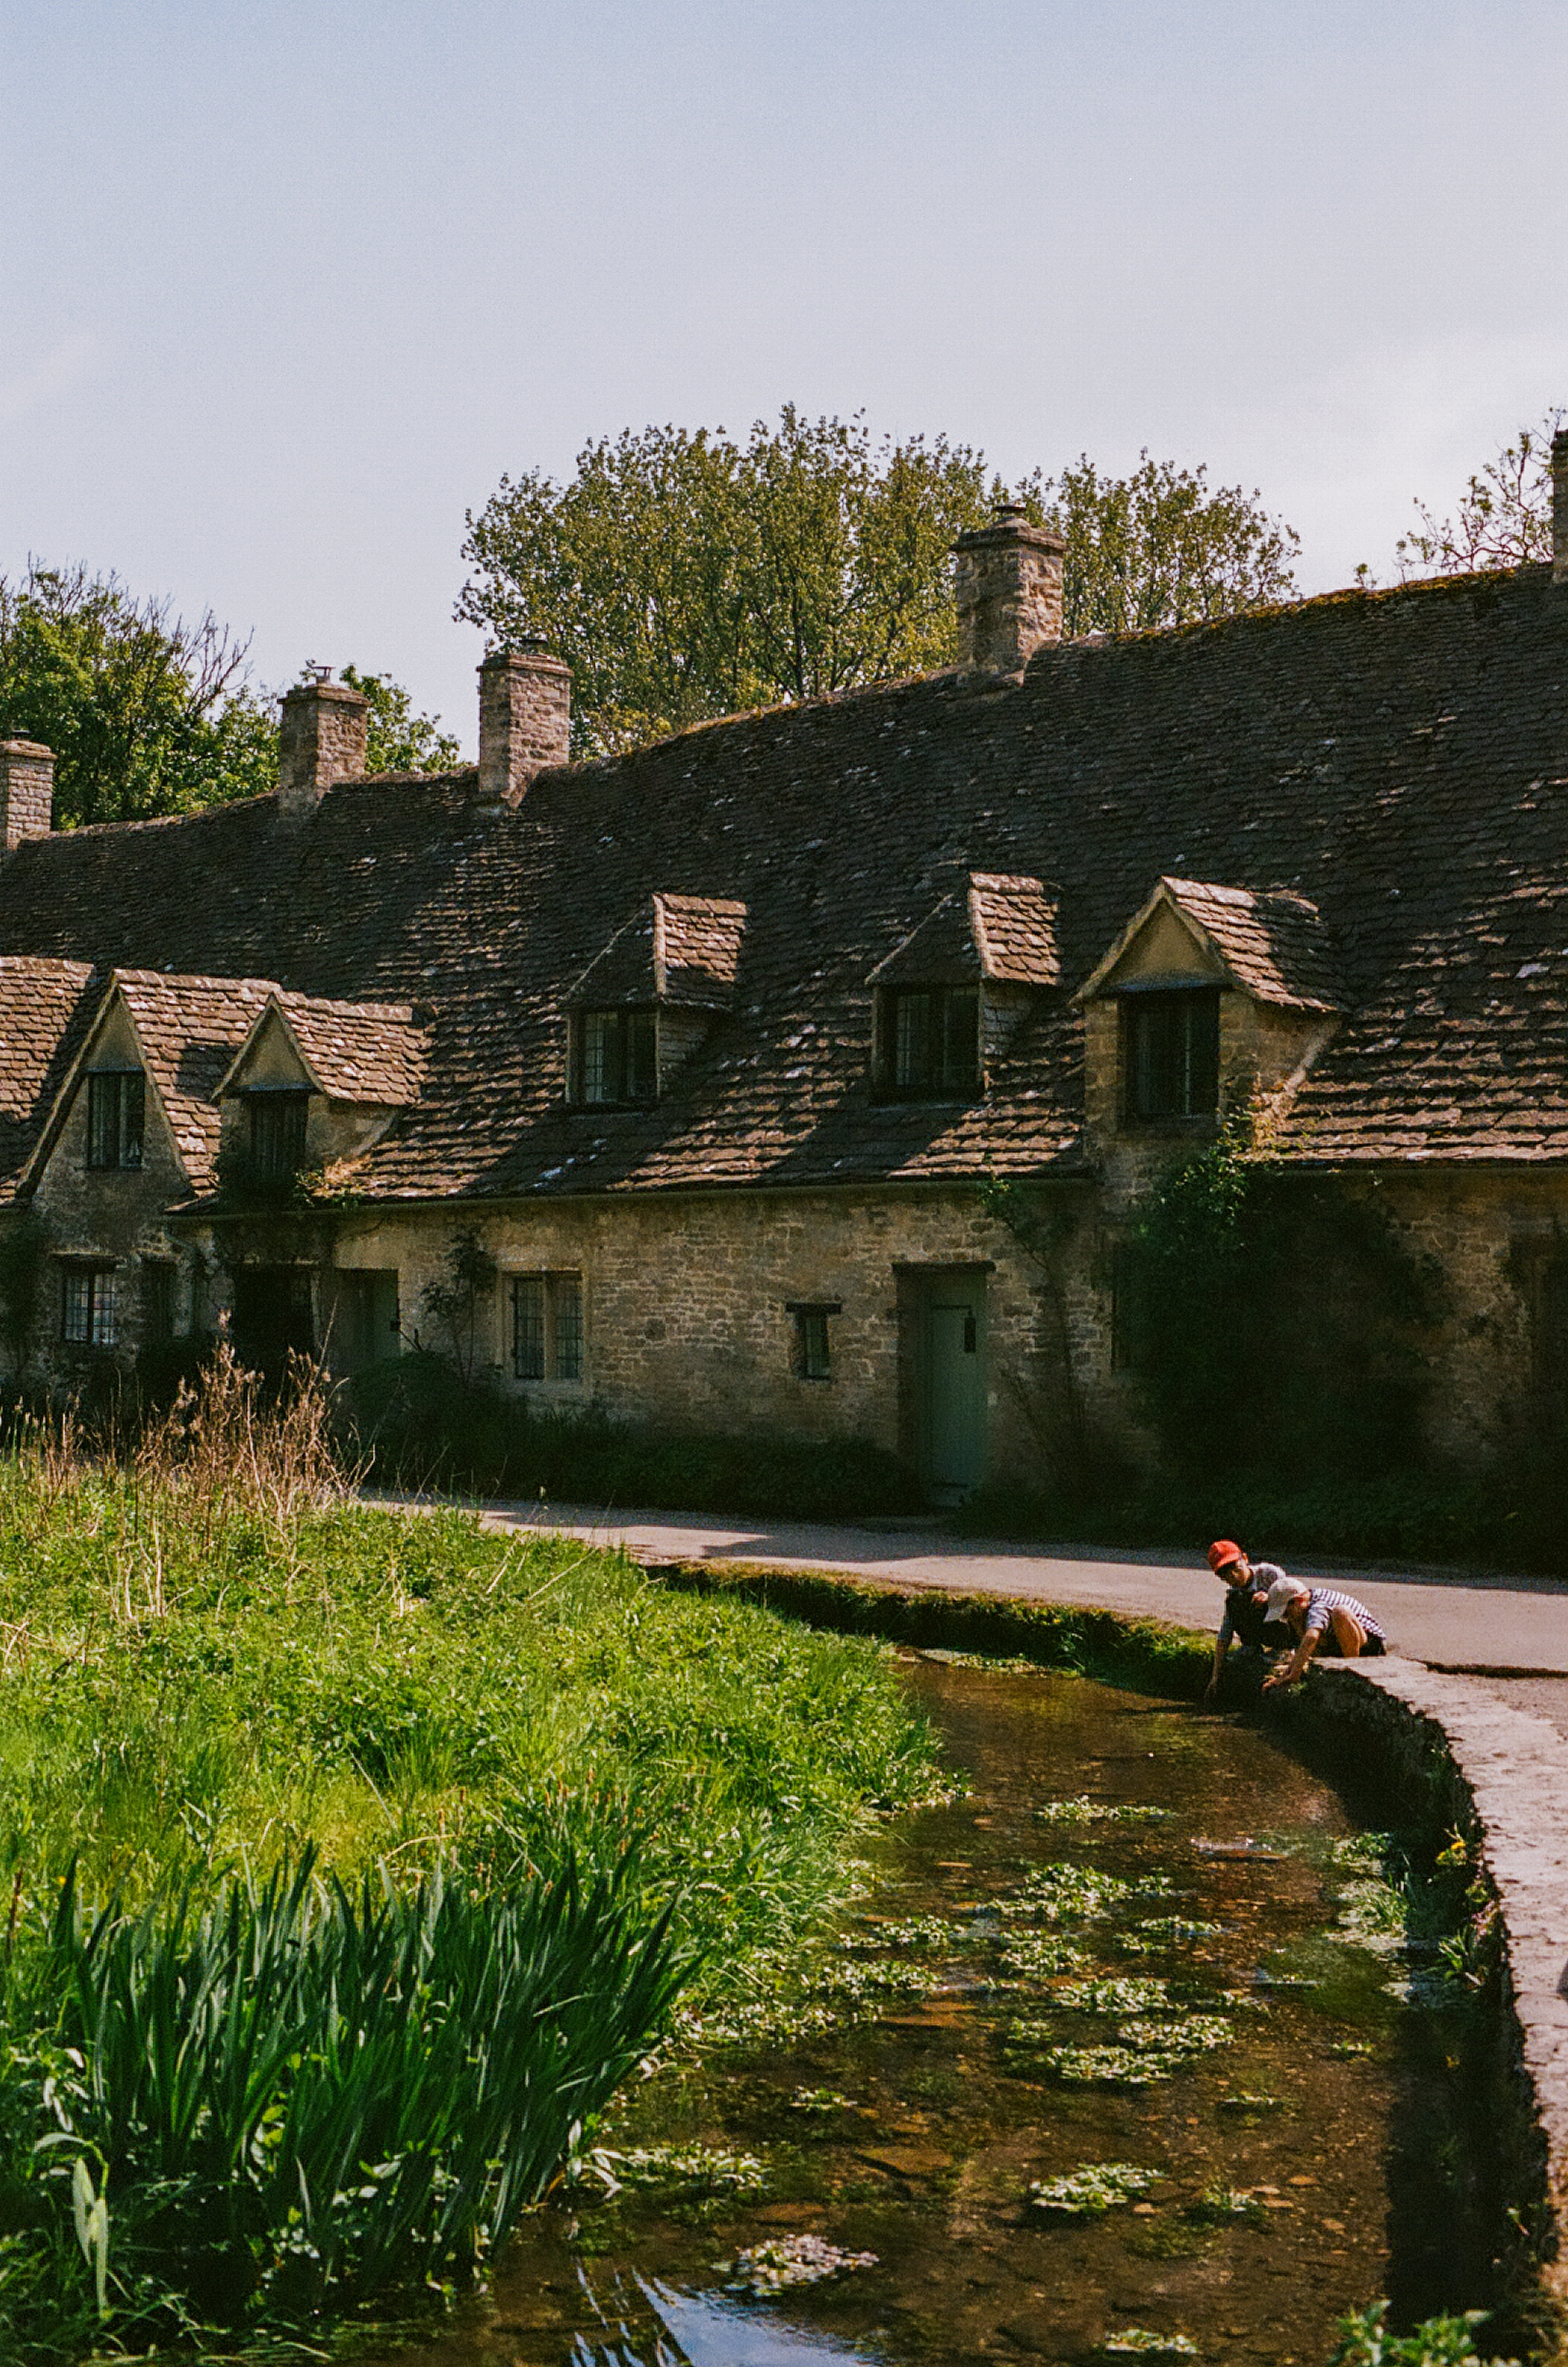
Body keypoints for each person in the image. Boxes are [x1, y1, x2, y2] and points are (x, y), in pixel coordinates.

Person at [1259, 1577, 1387, 1692]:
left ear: (1298, 1600)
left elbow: (1312, 1637)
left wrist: (1293, 1676)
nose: (1286, 1618)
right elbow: (1304, 1643)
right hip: (1339, 1642)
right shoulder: (1307, 1603)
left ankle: (1351, 1672)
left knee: (1340, 1612)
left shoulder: (1319, 1605)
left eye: (1286, 1613)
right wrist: (1285, 1675)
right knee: (1300, 1625)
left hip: (1369, 1645)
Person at [1203, 1539, 1289, 1702]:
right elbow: (1225, 1634)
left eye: (1234, 1568)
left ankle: (1283, 1651)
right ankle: (1251, 1648)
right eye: (1224, 1574)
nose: (1233, 1576)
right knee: (1236, 1602)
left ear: (1245, 1559)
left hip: (1284, 1627)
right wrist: (1215, 1676)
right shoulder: (1234, 1595)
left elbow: (1297, 1601)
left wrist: (1272, 1598)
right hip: (1259, 1630)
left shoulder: (1270, 1573)